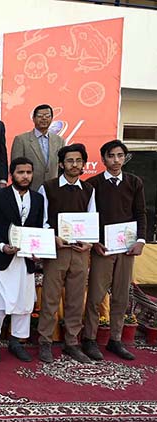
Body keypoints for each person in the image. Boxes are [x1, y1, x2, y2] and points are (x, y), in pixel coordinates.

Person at [82, 140, 147, 361]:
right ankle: (89, 339)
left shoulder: (134, 182)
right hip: (103, 248)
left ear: (125, 158)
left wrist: (140, 240)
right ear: (103, 159)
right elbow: (89, 218)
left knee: (121, 295)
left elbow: (140, 213)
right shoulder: (93, 184)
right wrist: (95, 241)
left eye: (120, 155)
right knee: (96, 295)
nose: (116, 160)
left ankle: (115, 340)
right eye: (111, 156)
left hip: (127, 248)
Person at [0, 157, 44, 363]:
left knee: (24, 302)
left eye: (28, 172)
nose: (25, 176)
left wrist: (38, 249)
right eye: (20, 172)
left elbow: (37, 229)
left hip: (25, 259)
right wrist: (2, 246)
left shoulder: (37, 198)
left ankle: (16, 341)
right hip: (1, 258)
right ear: (11, 174)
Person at [37, 143, 96, 363]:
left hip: (80, 252)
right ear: (61, 164)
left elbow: (92, 219)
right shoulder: (48, 187)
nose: (74, 164)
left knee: (75, 299)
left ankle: (72, 342)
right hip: (57, 250)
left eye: (78, 161)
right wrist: (52, 238)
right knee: (50, 299)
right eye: (70, 161)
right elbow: (42, 219)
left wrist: (89, 242)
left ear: (83, 164)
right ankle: (45, 341)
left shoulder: (89, 190)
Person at [10, 104, 65, 191]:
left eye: (47, 116)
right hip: (30, 189)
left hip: (53, 190)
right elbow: (16, 168)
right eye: (40, 116)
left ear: (52, 119)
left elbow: (62, 168)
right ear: (33, 118)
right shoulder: (21, 140)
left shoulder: (59, 140)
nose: (44, 118)